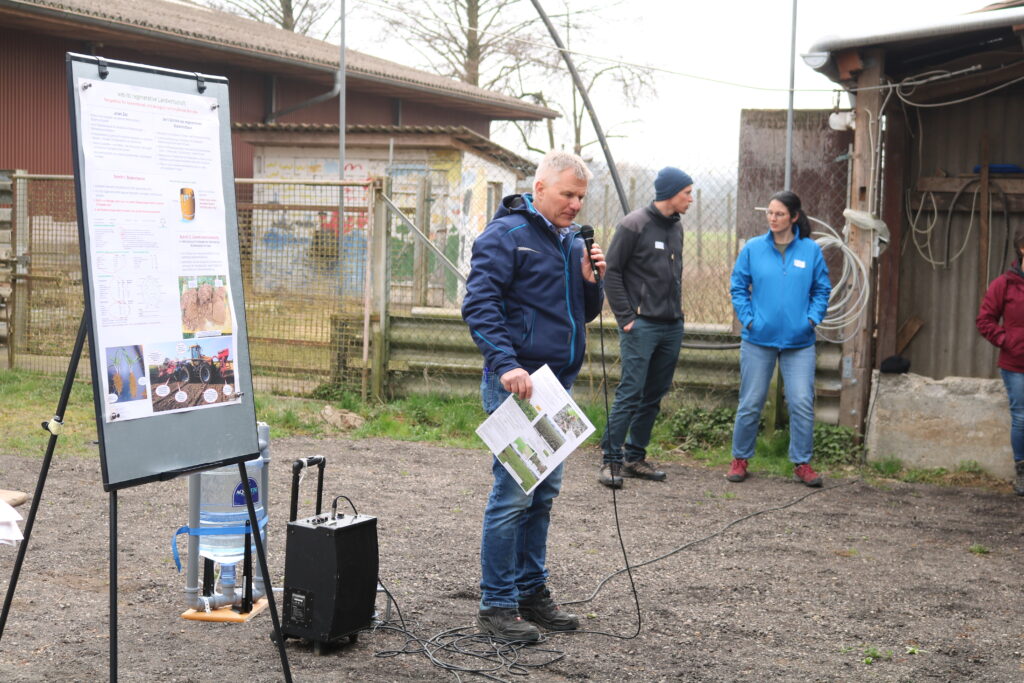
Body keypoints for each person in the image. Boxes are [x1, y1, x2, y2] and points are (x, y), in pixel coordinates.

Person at [461, 150, 606, 642]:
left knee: (542, 495)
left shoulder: (568, 242)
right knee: (512, 495)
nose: (575, 205)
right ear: (539, 187)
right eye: (568, 194)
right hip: (517, 386)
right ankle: (496, 605)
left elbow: (580, 315)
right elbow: (480, 304)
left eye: (581, 197)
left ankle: (530, 592)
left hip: (554, 386)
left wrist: (591, 283)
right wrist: (506, 365)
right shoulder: (506, 236)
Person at [727, 190, 831, 487]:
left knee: (800, 401)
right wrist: (749, 319)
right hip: (758, 339)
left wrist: (810, 320)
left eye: (779, 214)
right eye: (769, 213)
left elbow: (822, 289)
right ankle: (740, 459)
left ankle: (802, 463)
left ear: (794, 217)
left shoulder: (810, 251)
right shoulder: (753, 249)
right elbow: (738, 286)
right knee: (751, 402)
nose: (773, 218)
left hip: (800, 342)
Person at [598, 167, 692, 489]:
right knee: (630, 392)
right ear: (670, 193)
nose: (691, 199)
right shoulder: (633, 224)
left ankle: (634, 457)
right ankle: (610, 461)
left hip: (671, 326)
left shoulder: (676, 228)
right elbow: (611, 273)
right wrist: (626, 317)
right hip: (641, 326)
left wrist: (677, 316)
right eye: (687, 193)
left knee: (653, 394)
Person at [976, 228, 1024, 496]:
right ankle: (1022, 472)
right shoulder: (1004, 284)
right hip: (1016, 364)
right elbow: (984, 320)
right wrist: (1008, 341)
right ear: (1021, 249)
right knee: (1021, 417)